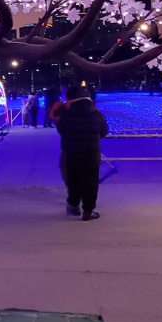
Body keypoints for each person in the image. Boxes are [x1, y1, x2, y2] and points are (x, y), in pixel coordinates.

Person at [56, 85, 110, 221]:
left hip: (72, 153)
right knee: (91, 182)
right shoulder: (97, 115)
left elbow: (60, 129)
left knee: (73, 181)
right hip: (91, 155)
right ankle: (88, 211)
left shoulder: (68, 114)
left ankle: (74, 205)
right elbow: (104, 132)